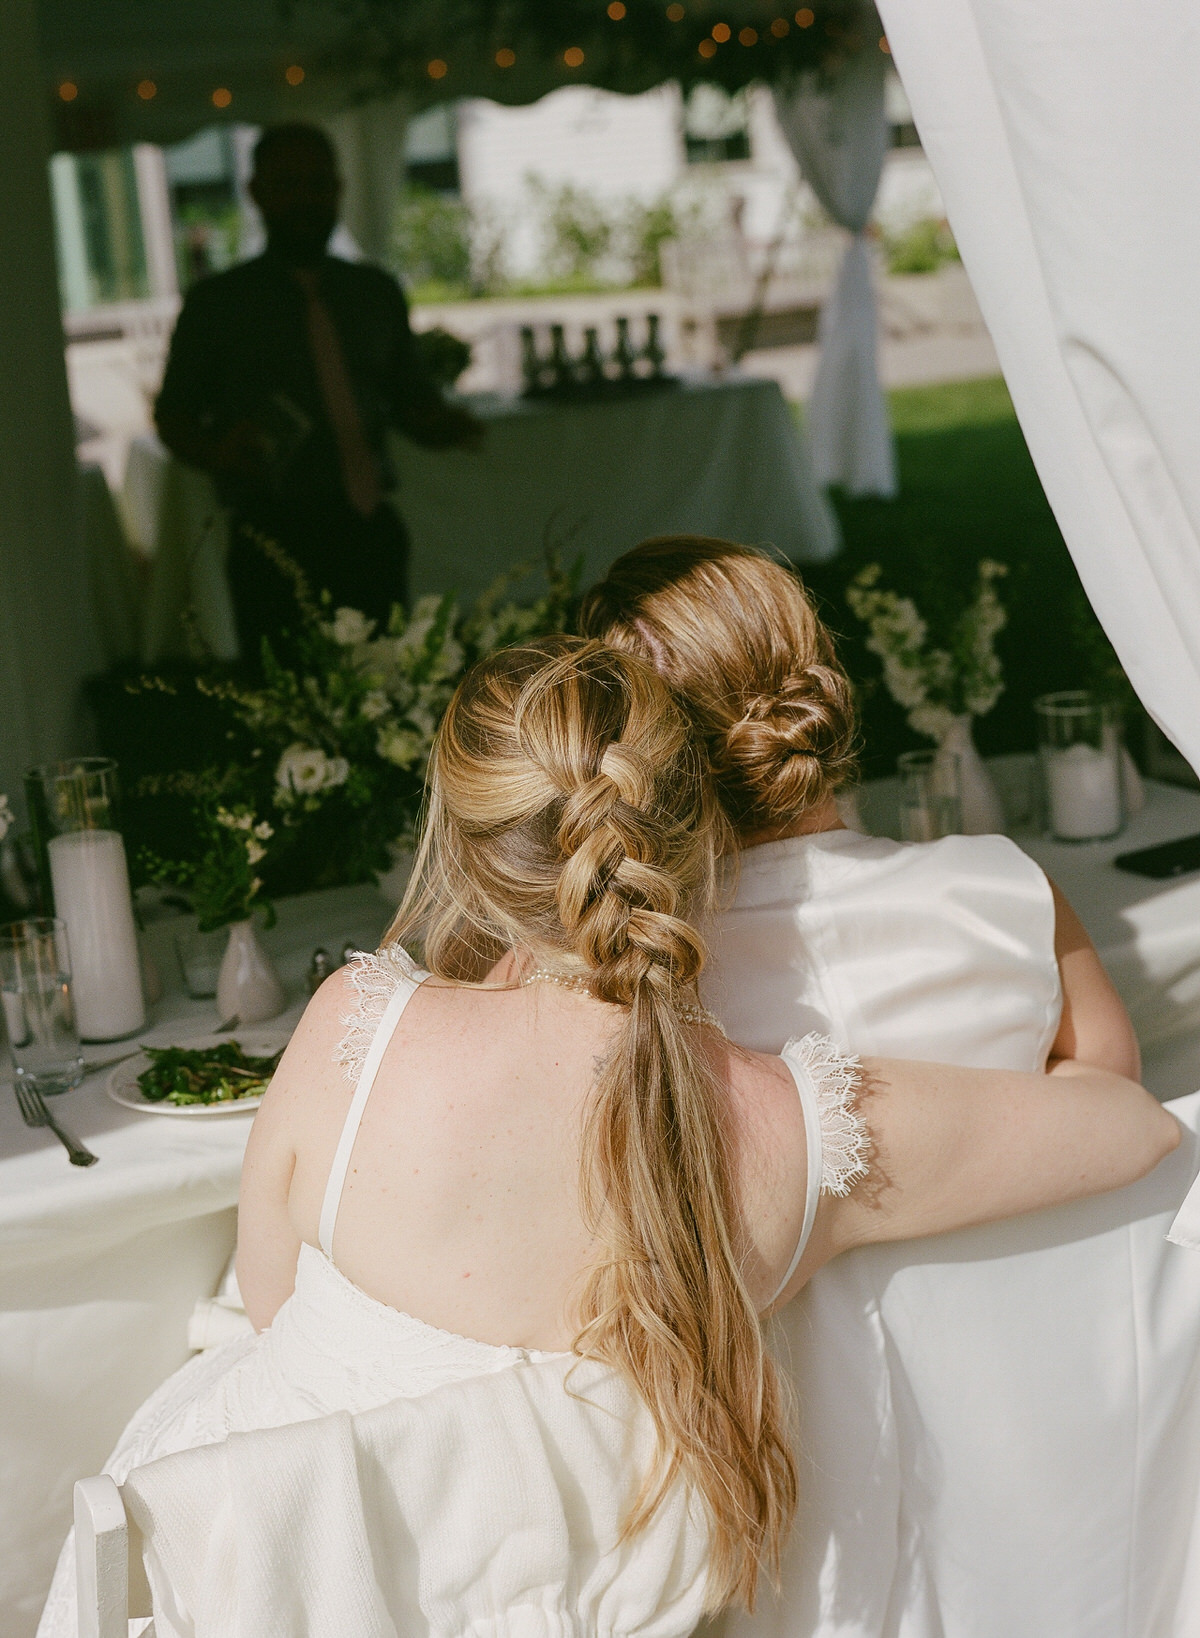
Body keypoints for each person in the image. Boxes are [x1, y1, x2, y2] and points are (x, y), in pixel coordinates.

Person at [38, 638, 1175, 1637]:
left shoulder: (356, 1030)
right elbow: (1124, 1123)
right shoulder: (791, 1134)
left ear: (461, 845)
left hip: (247, 1580)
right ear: (699, 840)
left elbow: (267, 1296)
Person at [581, 535, 1200, 1636]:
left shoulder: (651, 986)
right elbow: (1115, 1087)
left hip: (819, 1497)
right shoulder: (998, 888)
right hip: (1075, 1461)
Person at [155, 122, 481, 659]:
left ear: (338, 189)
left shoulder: (373, 292)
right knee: (291, 705)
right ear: (256, 193)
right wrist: (218, 451)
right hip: (273, 538)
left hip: (369, 529)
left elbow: (410, 401)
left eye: (318, 184)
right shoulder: (218, 305)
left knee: (390, 689)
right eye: (289, 185)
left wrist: (444, 426)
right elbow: (172, 417)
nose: (306, 200)